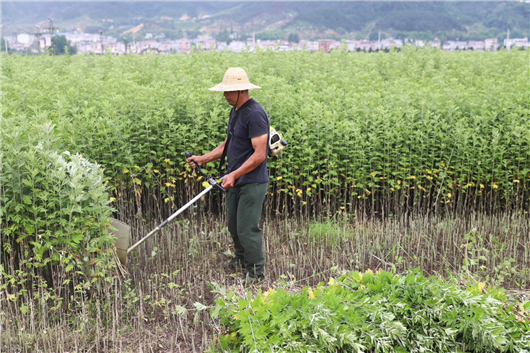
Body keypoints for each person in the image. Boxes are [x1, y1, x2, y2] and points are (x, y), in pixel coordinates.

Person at [187, 68, 269, 282]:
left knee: (246, 228)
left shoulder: (255, 114)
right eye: (224, 91)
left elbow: (260, 155)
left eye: (229, 91)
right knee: (233, 225)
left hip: (252, 181)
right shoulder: (236, 111)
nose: (225, 95)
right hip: (236, 178)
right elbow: (229, 143)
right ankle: (241, 260)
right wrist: (203, 159)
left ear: (242, 90)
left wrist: (234, 174)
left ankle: (255, 272)